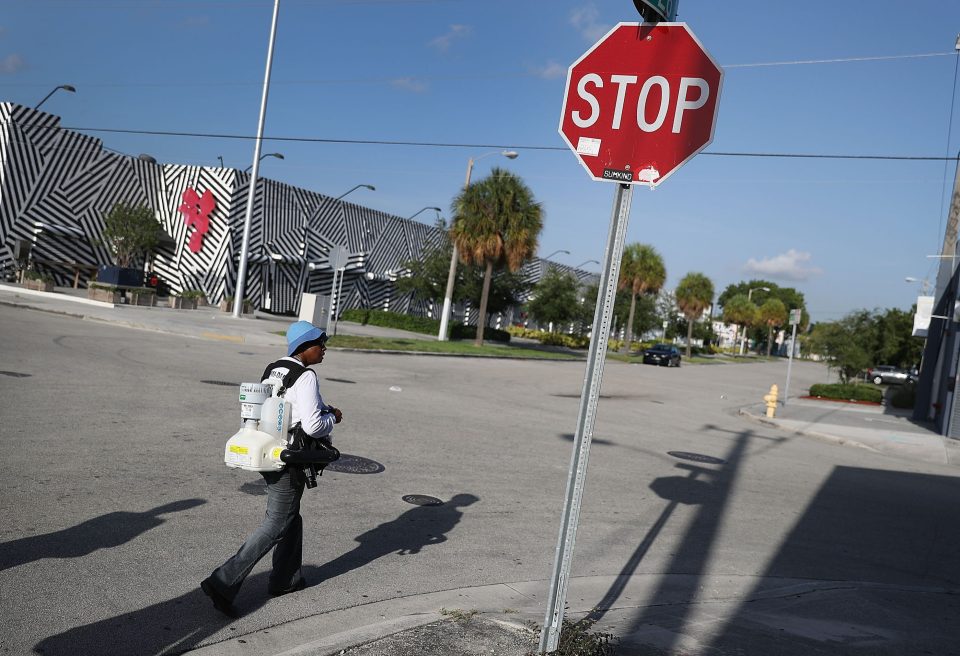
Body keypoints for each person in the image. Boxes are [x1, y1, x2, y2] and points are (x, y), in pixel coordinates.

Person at [201, 320, 343, 617]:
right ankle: (222, 581)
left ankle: (285, 579)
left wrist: (323, 407)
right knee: (277, 522)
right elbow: (314, 426)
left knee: (290, 517)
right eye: (321, 343)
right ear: (306, 346)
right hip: (289, 457)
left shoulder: (274, 368)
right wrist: (333, 418)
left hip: (268, 449)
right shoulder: (305, 376)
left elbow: (284, 404)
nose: (325, 349)